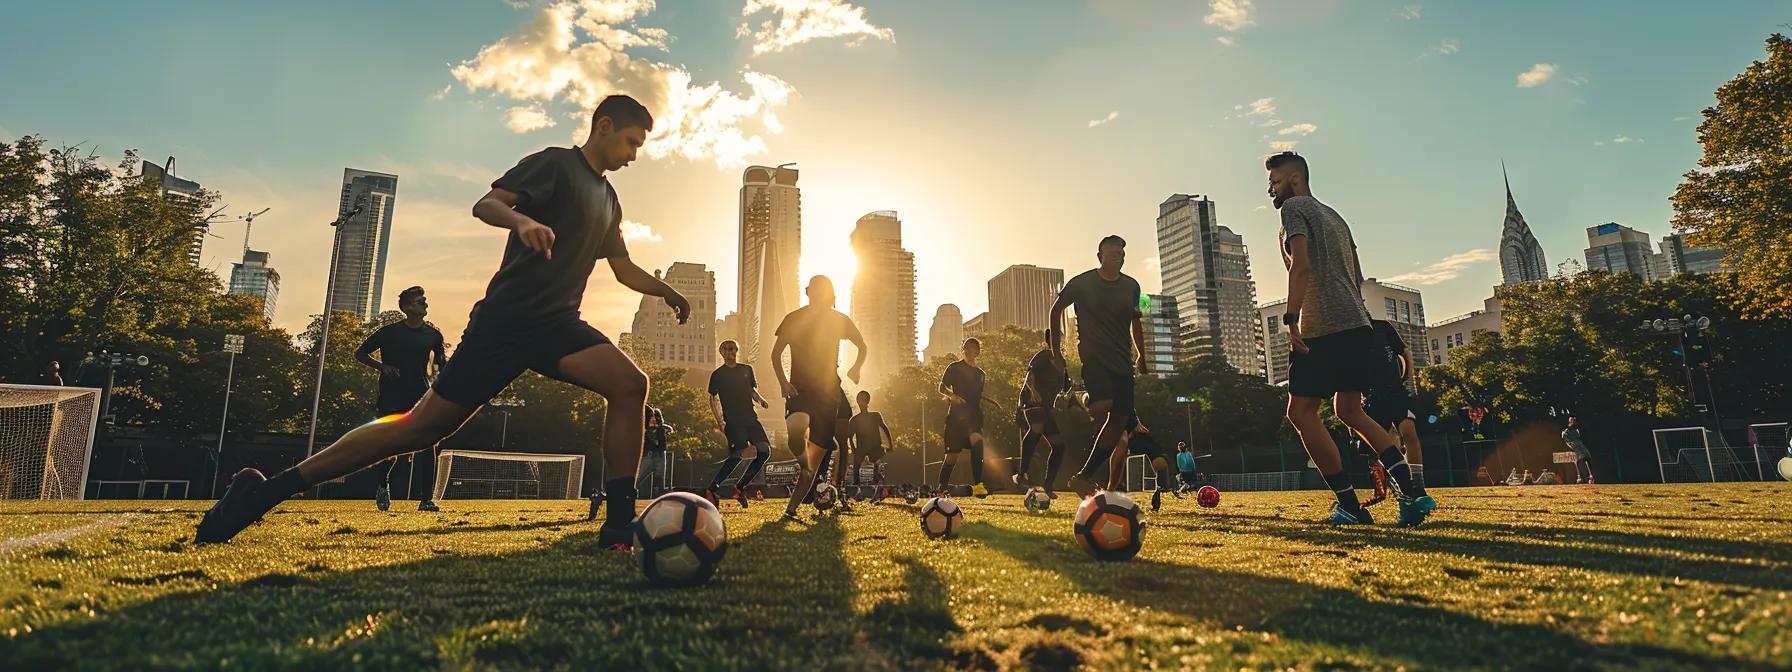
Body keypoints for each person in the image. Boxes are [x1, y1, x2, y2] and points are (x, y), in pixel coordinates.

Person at [197, 95, 690, 551]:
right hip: (505, 323)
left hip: (559, 325)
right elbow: (488, 203)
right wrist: (521, 221)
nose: (633, 155)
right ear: (603, 127)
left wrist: (665, 290)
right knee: (419, 430)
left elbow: (622, 270)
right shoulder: (555, 163)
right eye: (630, 142)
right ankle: (264, 493)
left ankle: (619, 523)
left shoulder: (609, 200)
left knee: (630, 384)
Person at [1267, 152, 1435, 527]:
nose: (1271, 190)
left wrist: (1292, 319)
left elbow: (1302, 265)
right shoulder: (1336, 217)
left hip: (1323, 326)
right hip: (1358, 324)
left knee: (1300, 413)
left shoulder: (1293, 209)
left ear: (1295, 180)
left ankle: (1350, 506)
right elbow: (1357, 278)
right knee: (1349, 411)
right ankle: (1414, 494)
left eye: (1275, 181)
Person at [1049, 235, 1147, 498]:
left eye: (1123, 253)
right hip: (1095, 358)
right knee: (1102, 406)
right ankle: (1081, 397)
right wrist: (1056, 352)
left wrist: (1141, 355)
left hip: (1122, 363)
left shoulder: (1132, 287)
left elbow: (1136, 321)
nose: (1120, 257)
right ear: (1100, 255)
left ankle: (1082, 478)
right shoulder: (1082, 283)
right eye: (1114, 252)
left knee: (1118, 424)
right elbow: (1056, 310)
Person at [771, 276, 866, 521]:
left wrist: (856, 367)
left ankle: (791, 509)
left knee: (813, 462)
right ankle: (801, 457)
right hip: (800, 390)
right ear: (807, 291)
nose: (820, 294)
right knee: (795, 432)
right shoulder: (793, 318)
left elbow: (861, 345)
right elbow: (775, 353)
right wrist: (783, 382)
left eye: (825, 291)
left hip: (829, 394)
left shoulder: (839, 319)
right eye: (816, 290)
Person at [355, 285, 448, 512]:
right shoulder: (389, 333)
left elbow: (441, 366)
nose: (424, 303)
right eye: (419, 300)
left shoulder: (433, 335)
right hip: (391, 397)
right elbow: (360, 353)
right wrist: (381, 366)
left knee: (429, 446)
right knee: (390, 448)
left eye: (425, 300)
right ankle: (382, 483)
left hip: (421, 397)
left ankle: (426, 500)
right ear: (407, 307)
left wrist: (442, 388)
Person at [704, 339, 771, 507]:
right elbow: (712, 398)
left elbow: (752, 390)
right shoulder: (718, 375)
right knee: (737, 455)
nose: (730, 351)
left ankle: (740, 486)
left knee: (764, 451)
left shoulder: (746, 370)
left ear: (737, 350)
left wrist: (761, 400)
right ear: (721, 353)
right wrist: (719, 421)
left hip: (750, 418)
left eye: (733, 348)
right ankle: (712, 488)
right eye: (726, 349)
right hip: (733, 421)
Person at [1365, 318, 1427, 496]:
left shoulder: (1382, 327)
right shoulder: (1349, 333)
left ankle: (1417, 482)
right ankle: (1399, 482)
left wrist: (1407, 375)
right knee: (1386, 441)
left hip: (1396, 391)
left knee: (1408, 430)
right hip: (1372, 397)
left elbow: (1404, 352)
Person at [1013, 336, 1069, 500]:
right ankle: (1021, 474)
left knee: (1059, 446)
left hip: (1047, 407)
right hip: (1032, 400)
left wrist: (1064, 398)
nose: (1059, 343)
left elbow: (1065, 387)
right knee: (1036, 428)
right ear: (1049, 342)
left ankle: (1048, 485)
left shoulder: (1062, 362)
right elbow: (1030, 376)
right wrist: (1033, 391)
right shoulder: (1042, 356)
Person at [939, 338, 992, 497]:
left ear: (978, 351)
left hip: (974, 417)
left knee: (978, 442)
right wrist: (952, 396)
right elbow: (942, 387)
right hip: (956, 417)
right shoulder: (954, 367)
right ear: (964, 349)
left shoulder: (981, 374)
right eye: (967, 348)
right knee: (951, 458)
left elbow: (976, 395)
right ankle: (941, 488)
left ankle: (978, 486)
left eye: (974, 348)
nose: (970, 351)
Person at [1117, 417, 1178, 511]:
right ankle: (1164, 486)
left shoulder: (1133, 440)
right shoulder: (1141, 436)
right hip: (1160, 459)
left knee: (1150, 481)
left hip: (1155, 460)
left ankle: (1164, 486)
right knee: (1155, 484)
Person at [847, 390, 896, 496]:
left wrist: (890, 444)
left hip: (875, 447)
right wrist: (854, 449)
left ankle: (878, 487)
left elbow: (885, 428)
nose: (862, 403)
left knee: (878, 465)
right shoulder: (855, 420)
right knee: (856, 465)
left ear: (868, 401)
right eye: (861, 400)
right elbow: (850, 437)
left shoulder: (875, 416)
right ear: (858, 401)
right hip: (862, 448)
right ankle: (857, 488)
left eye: (864, 400)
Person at [638, 407, 675, 497]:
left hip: (660, 455)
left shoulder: (660, 429)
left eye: (655, 417)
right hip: (648, 456)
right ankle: (630, 491)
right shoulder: (645, 430)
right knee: (639, 477)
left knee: (660, 478)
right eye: (651, 417)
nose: (653, 419)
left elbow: (662, 445)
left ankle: (659, 495)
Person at [1562, 415, 1594, 484]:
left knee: (1587, 457)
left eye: (1574, 420)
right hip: (1574, 446)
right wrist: (1572, 446)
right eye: (1571, 420)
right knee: (1578, 460)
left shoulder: (1577, 430)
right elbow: (1566, 440)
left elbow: (1580, 438)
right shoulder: (1566, 432)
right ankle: (1579, 477)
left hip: (1580, 445)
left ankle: (1590, 476)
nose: (1573, 421)